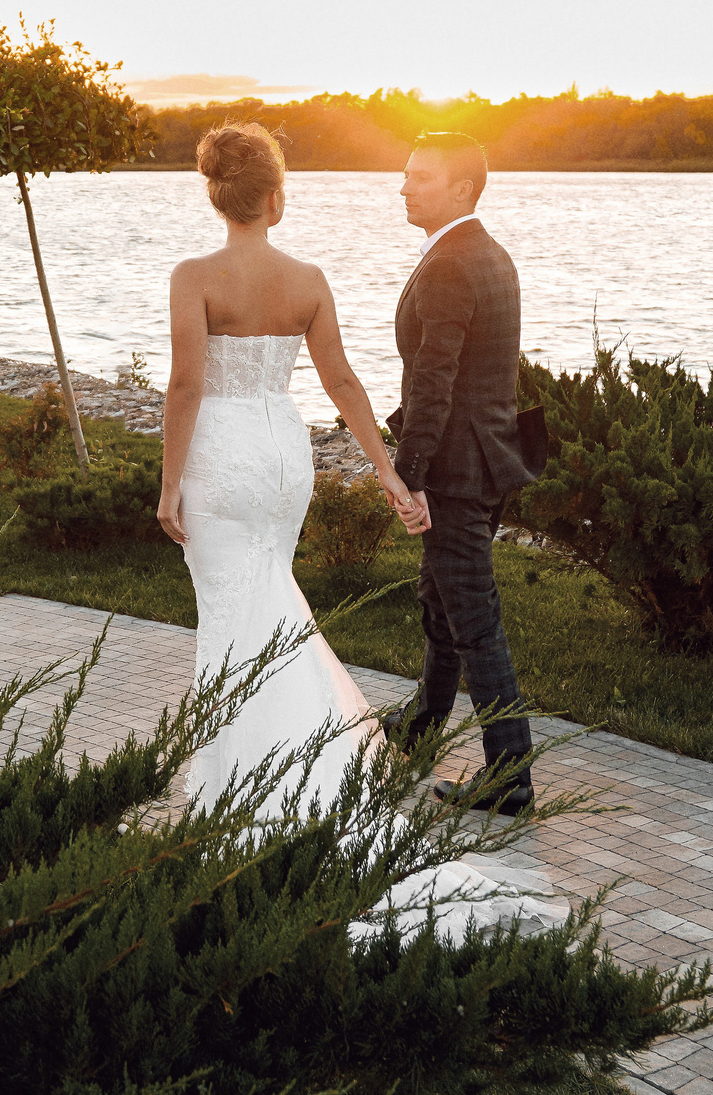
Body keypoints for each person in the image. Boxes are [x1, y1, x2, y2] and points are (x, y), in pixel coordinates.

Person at [156, 122, 560, 938]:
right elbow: (341, 378)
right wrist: (385, 470)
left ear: (215, 194)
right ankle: (370, 743)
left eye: (418, 175)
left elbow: (187, 387)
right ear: (275, 195)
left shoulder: (194, 276)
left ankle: (248, 779)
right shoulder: (316, 278)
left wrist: (169, 484)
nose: (403, 185)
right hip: (285, 461)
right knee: (303, 601)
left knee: (249, 612)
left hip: (231, 462)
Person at [382, 130, 543, 816]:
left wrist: (410, 472)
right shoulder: (490, 253)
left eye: (420, 177)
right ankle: (422, 726)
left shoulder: (451, 265)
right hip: (489, 458)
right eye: (406, 174)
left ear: (462, 188)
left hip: (454, 469)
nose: (404, 186)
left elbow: (435, 382)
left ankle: (510, 776)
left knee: (474, 619)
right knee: (442, 600)